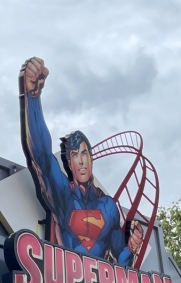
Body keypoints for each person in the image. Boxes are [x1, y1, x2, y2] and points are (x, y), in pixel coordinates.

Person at [20, 57, 143, 265]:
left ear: (91, 158)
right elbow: (41, 155)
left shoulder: (108, 206)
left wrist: (131, 249)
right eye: (75, 155)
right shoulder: (63, 195)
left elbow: (120, 257)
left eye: (84, 153)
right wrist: (33, 97)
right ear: (69, 162)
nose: (81, 161)